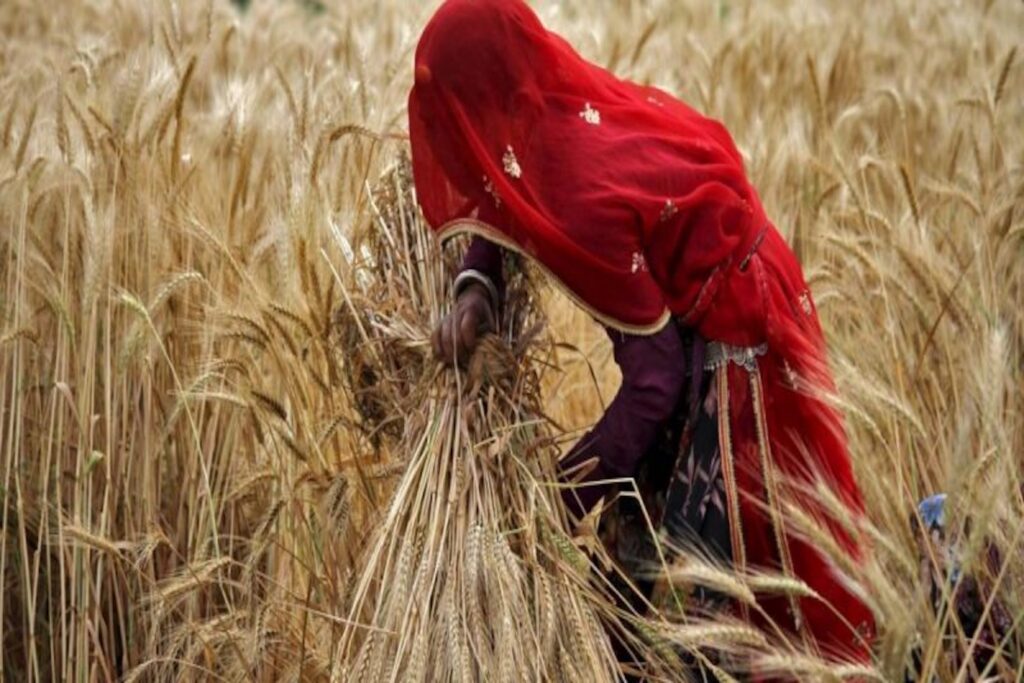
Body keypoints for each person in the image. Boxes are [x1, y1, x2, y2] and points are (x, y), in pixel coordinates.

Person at [409, 0, 875, 666]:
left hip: (743, 336)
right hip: (696, 324)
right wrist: (475, 285)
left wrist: (555, 498)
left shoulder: (580, 196)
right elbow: (504, 182)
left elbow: (653, 383)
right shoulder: (542, 105)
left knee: (728, 601)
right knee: (636, 575)